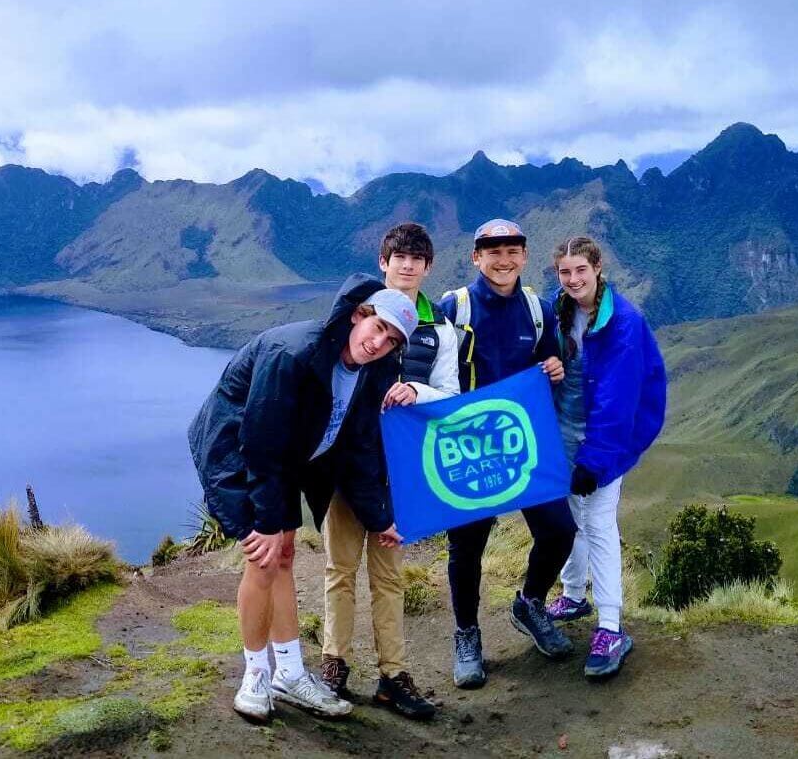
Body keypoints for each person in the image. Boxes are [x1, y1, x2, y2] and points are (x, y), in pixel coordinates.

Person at [188, 276, 418, 723]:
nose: (378, 343)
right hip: (237, 454)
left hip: (285, 458)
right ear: (358, 315)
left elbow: (358, 448)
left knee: (285, 556)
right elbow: (259, 443)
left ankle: (289, 674)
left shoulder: (367, 373)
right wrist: (269, 523)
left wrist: (378, 518)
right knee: (264, 556)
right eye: (377, 328)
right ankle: (255, 676)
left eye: (391, 341)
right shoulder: (294, 355)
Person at [319, 223, 458, 721]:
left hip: (399, 468)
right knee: (339, 568)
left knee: (389, 574)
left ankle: (393, 676)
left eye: (417, 259)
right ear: (384, 261)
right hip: (346, 461)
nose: (407, 265)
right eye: (399, 256)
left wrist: (417, 393)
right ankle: (333, 664)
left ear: (428, 267)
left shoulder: (440, 328)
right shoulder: (360, 314)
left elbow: (452, 395)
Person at [438, 218, 573, 689]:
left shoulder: (538, 309)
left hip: (523, 442)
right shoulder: (454, 307)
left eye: (512, 250)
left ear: (524, 255)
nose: (503, 259)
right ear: (476, 257)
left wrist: (553, 366)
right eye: (493, 251)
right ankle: (467, 634)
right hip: (471, 447)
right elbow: (426, 370)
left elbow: (551, 361)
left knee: (559, 530)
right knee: (467, 548)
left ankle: (529, 603)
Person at [543, 236, 666, 678]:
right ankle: (574, 593)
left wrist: (594, 462)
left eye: (581, 270)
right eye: (565, 272)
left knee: (597, 522)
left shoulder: (624, 323)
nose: (573, 279)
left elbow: (617, 401)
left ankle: (612, 625)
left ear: (598, 268)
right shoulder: (557, 311)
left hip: (602, 444)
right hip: (562, 436)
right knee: (569, 518)